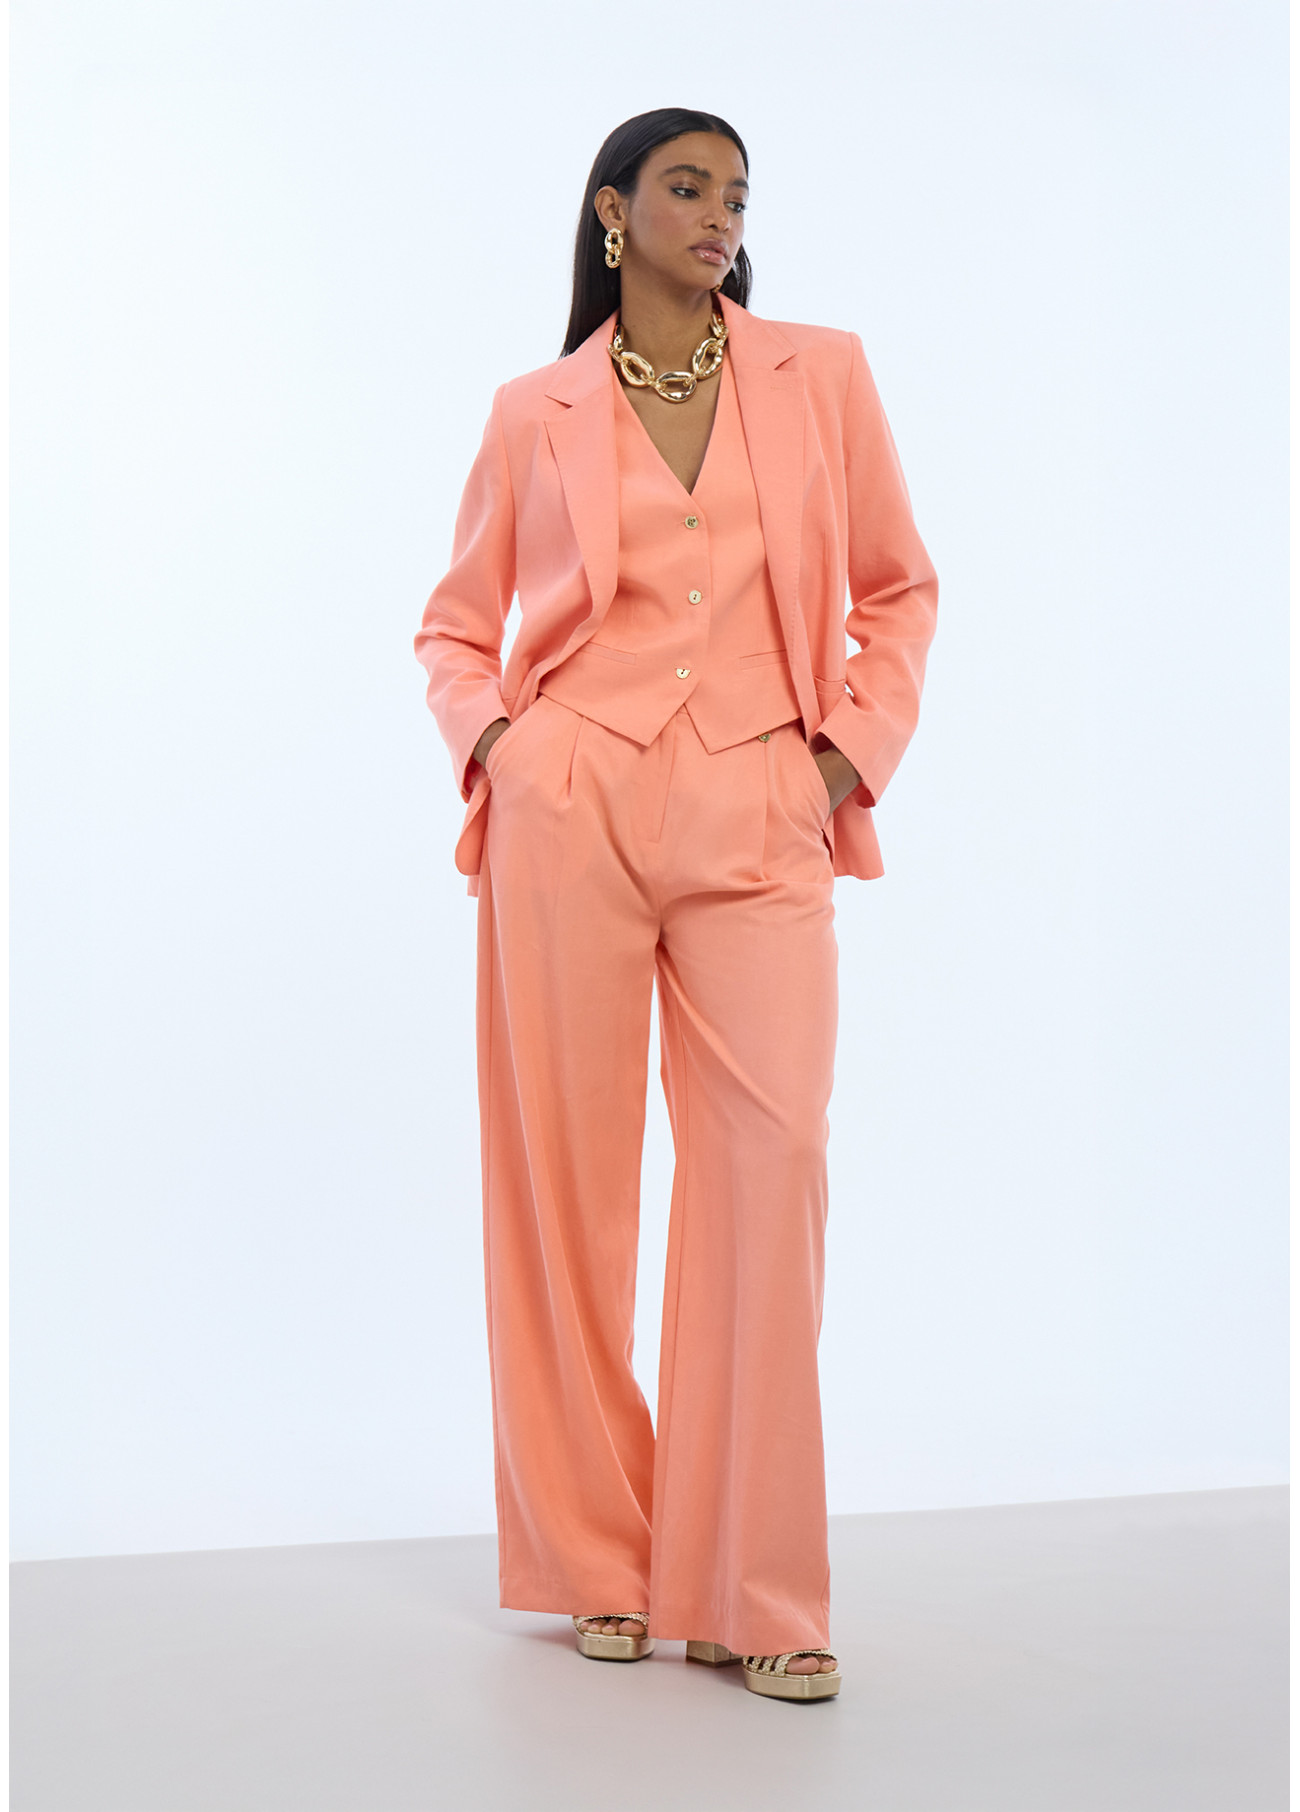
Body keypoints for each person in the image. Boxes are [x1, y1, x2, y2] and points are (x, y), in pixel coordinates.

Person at [413, 106, 938, 1703]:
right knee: (564, 1196)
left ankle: (752, 1586)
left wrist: (843, 758)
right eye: (688, 187)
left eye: (736, 195)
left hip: (763, 801)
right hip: (571, 804)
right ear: (612, 211)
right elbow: (454, 629)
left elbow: (899, 589)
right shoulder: (535, 411)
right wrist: (502, 747)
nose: (719, 214)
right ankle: (596, 1559)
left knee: (770, 1171)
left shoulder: (820, 375)